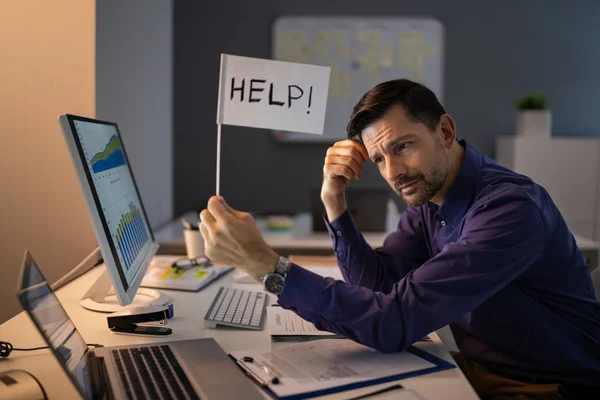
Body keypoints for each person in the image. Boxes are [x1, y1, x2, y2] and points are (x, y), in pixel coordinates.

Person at [199, 79, 600, 399]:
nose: (392, 172)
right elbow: (377, 283)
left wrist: (266, 266)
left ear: (444, 130)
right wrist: (334, 201)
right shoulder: (430, 196)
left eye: (402, 146)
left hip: (547, 387)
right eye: (378, 159)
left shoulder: (509, 209)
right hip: (484, 369)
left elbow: (393, 321)